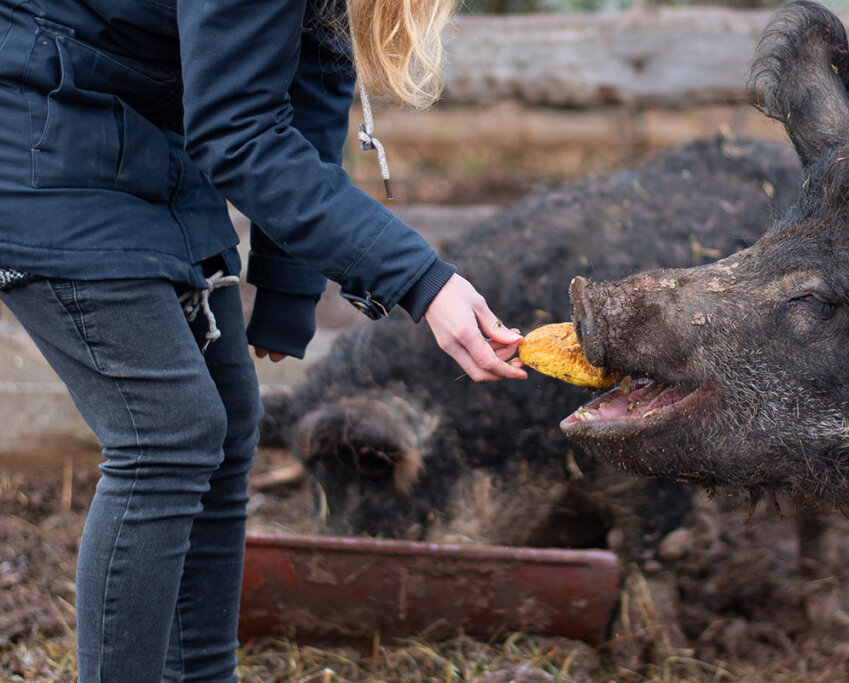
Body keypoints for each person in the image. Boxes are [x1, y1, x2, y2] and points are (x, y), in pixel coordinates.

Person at [0, 0, 527, 679]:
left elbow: (307, 92)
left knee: (225, 424)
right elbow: (239, 134)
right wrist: (422, 282)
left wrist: (285, 291)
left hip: (145, 132)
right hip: (40, 140)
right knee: (167, 434)